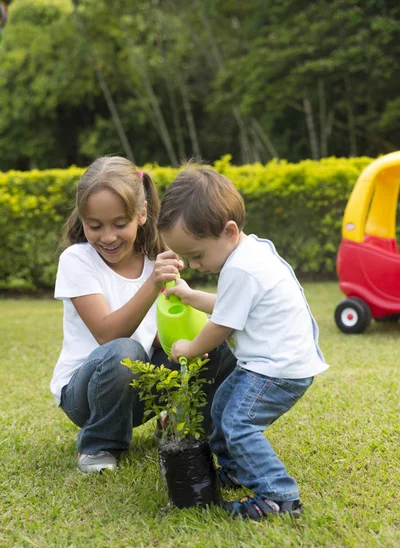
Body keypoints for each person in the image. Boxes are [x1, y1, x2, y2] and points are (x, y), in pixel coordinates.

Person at [157, 166, 329, 520]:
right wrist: (190, 296)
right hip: (269, 364)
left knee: (238, 424)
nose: (194, 264)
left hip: (277, 370)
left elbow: (222, 324)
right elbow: (230, 305)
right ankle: (237, 468)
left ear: (229, 231)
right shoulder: (251, 253)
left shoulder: (241, 269)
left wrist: (189, 348)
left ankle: (279, 497)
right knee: (222, 406)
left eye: (197, 255)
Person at [50, 157, 235, 474]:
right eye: (95, 226)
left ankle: (182, 426)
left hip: (141, 388)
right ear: (82, 220)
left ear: (142, 214)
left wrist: (197, 339)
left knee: (214, 345)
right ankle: (98, 445)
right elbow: (108, 335)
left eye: (119, 224)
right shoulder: (76, 260)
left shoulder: (157, 258)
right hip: (87, 395)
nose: (108, 237)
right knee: (125, 351)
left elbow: (168, 329)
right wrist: (152, 285)